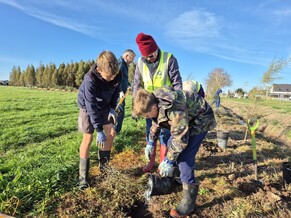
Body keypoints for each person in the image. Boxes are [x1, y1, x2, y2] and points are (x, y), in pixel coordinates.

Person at [132, 87, 216, 217]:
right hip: (186, 119)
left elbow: (180, 139)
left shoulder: (174, 109)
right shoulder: (154, 102)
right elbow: (156, 122)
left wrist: (169, 160)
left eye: (147, 115)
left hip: (201, 119)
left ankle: (188, 203)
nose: (147, 118)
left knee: (185, 157)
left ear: (154, 108)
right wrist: (150, 141)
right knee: (172, 146)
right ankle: (177, 178)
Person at [133, 32, 183, 173]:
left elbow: (177, 83)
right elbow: (137, 85)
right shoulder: (140, 63)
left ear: (156, 48)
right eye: (147, 56)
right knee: (151, 133)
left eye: (152, 54)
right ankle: (151, 162)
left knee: (165, 135)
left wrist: (177, 104)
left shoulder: (169, 59)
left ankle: (164, 162)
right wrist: (135, 107)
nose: (150, 57)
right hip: (150, 107)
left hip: (167, 105)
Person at [77, 50, 122, 189]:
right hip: (88, 107)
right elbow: (91, 105)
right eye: (108, 77)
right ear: (99, 69)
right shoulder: (90, 78)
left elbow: (115, 92)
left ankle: (104, 169)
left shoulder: (117, 74)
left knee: (111, 134)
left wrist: (112, 108)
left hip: (105, 106)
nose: (111, 79)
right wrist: (98, 130)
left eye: (113, 76)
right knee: (88, 138)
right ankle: (83, 178)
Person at [115, 49, 136, 134]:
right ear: (127, 56)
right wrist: (120, 91)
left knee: (120, 112)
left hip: (121, 93)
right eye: (132, 58)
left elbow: (124, 78)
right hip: (117, 94)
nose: (132, 61)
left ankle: (115, 131)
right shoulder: (120, 63)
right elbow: (117, 77)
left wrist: (128, 84)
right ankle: (115, 132)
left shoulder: (124, 64)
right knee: (119, 112)